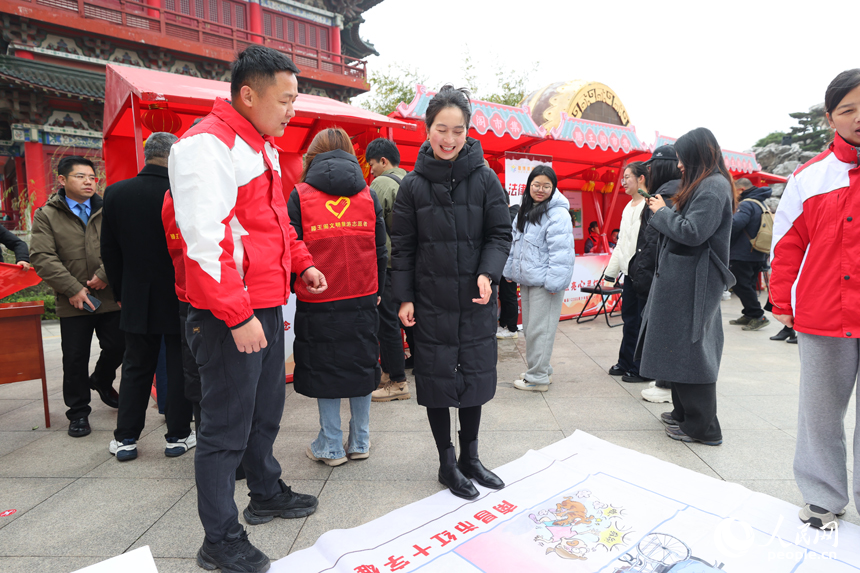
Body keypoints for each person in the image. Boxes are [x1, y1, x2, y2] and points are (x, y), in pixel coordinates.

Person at [169, 45, 325, 572]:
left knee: (265, 412)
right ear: (248, 94)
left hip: (263, 302)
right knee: (223, 429)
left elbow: (274, 223)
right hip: (227, 315)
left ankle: (265, 491)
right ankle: (220, 538)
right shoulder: (205, 146)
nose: (291, 111)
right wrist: (236, 316)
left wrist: (300, 263)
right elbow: (203, 245)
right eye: (284, 100)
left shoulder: (258, 144)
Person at [391, 85, 512, 500]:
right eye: (441, 129)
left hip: (474, 300)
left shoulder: (485, 179)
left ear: (468, 131)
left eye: (458, 130)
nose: (449, 139)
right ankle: (446, 461)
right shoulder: (411, 186)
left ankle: (470, 458)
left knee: (475, 377)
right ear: (427, 130)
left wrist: (488, 273)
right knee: (437, 379)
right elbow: (402, 247)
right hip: (430, 302)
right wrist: (404, 297)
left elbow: (499, 233)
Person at [770, 69, 860, 531]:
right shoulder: (810, 177)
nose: (859, 118)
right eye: (848, 110)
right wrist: (781, 299)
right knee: (820, 410)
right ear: (831, 118)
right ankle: (823, 496)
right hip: (825, 312)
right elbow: (786, 243)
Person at [288, 128, 387, 466]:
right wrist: (377, 289)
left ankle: (330, 446)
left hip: (319, 298)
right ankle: (360, 440)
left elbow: (289, 245)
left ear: (313, 156)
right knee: (361, 365)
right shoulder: (368, 195)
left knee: (324, 368)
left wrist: (297, 281)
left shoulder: (299, 196)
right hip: (362, 295)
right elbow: (381, 249)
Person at [638, 127, 736, 447]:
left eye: (681, 158)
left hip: (694, 281)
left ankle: (703, 426)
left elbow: (693, 232)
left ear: (696, 156)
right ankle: (684, 414)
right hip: (684, 279)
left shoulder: (713, 186)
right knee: (678, 350)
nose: (679, 165)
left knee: (693, 352)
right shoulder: (705, 184)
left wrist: (662, 212)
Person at [100, 132, 195, 461]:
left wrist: (120, 291)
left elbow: (109, 252)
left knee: (136, 367)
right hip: (181, 292)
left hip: (136, 295)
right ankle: (178, 436)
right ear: (173, 157)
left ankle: (126, 439)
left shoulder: (115, 193)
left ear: (146, 155)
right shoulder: (182, 192)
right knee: (181, 363)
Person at [30, 156, 123, 438]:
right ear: (62, 180)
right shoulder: (46, 214)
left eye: (92, 178)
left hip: (107, 295)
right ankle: (79, 413)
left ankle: (102, 379)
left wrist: (105, 274)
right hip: (72, 300)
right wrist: (72, 288)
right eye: (81, 176)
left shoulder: (109, 209)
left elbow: (123, 244)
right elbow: (42, 256)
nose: (88, 182)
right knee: (74, 358)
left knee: (121, 345)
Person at [503, 165, 575, 392]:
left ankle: (537, 378)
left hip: (546, 283)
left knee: (540, 330)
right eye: (536, 185)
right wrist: (509, 271)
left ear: (553, 188)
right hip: (528, 279)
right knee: (533, 329)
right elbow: (514, 245)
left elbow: (561, 253)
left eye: (546, 186)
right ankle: (541, 369)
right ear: (529, 185)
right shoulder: (526, 209)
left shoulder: (558, 213)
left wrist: (554, 283)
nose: (540, 189)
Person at [628, 146, 682, 405]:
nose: (648, 172)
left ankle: (666, 383)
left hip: (662, 275)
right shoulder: (673, 193)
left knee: (662, 329)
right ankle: (664, 381)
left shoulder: (667, 197)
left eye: (652, 167)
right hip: (663, 274)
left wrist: (643, 275)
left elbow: (652, 243)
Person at [365, 137, 411, 402]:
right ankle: (391, 372)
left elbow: (375, 227)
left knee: (388, 323)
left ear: (383, 161)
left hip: (390, 265)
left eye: (372, 164)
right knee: (404, 321)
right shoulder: (409, 180)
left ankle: (397, 381)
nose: (371, 171)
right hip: (410, 265)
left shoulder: (381, 183)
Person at [605, 162, 649, 383]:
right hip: (629, 274)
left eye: (627, 177)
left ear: (641, 178)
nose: (623, 181)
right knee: (629, 319)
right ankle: (625, 361)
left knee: (642, 321)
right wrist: (610, 274)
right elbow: (621, 243)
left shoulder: (650, 204)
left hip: (644, 273)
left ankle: (640, 367)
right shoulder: (627, 206)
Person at [727, 177, 772, 331]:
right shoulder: (761, 203)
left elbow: (735, 224)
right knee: (749, 284)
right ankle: (749, 314)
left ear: (741, 190)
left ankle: (757, 315)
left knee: (740, 284)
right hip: (757, 251)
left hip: (742, 253)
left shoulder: (746, 204)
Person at [497, 194, 521, 340]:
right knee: (505, 296)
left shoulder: (512, 216)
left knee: (510, 296)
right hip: (503, 263)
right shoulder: (510, 215)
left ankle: (512, 328)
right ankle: (504, 324)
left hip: (510, 264)